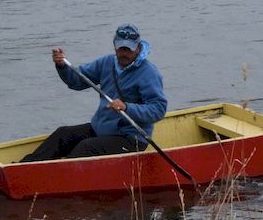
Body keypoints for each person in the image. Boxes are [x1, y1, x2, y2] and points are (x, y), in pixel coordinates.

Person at [20, 23, 167, 162]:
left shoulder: (149, 73)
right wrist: (61, 66)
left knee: (86, 148)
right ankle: (21, 169)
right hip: (102, 130)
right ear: (114, 46)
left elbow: (158, 110)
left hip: (130, 138)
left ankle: (59, 177)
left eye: (129, 49)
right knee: (62, 134)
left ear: (138, 48)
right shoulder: (107, 62)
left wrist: (127, 107)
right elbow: (76, 81)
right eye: (121, 48)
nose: (124, 53)